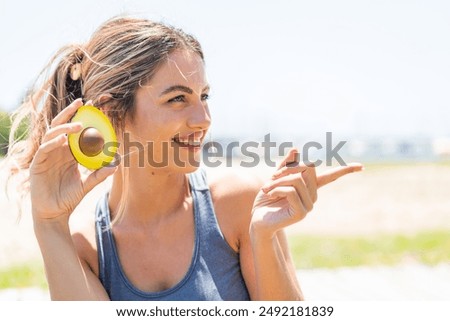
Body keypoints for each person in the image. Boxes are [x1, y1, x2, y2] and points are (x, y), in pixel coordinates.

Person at [5, 16, 362, 301]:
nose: (203, 119)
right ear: (111, 112)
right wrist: (48, 222)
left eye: (203, 96)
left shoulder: (239, 205)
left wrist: (264, 237)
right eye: (178, 99)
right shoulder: (86, 247)